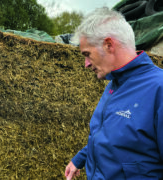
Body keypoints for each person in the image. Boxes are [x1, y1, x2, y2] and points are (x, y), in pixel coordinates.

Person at [65, 7, 163, 180]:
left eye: (87, 54)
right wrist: (79, 159)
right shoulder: (113, 84)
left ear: (109, 45)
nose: (86, 64)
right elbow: (109, 137)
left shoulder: (158, 88)